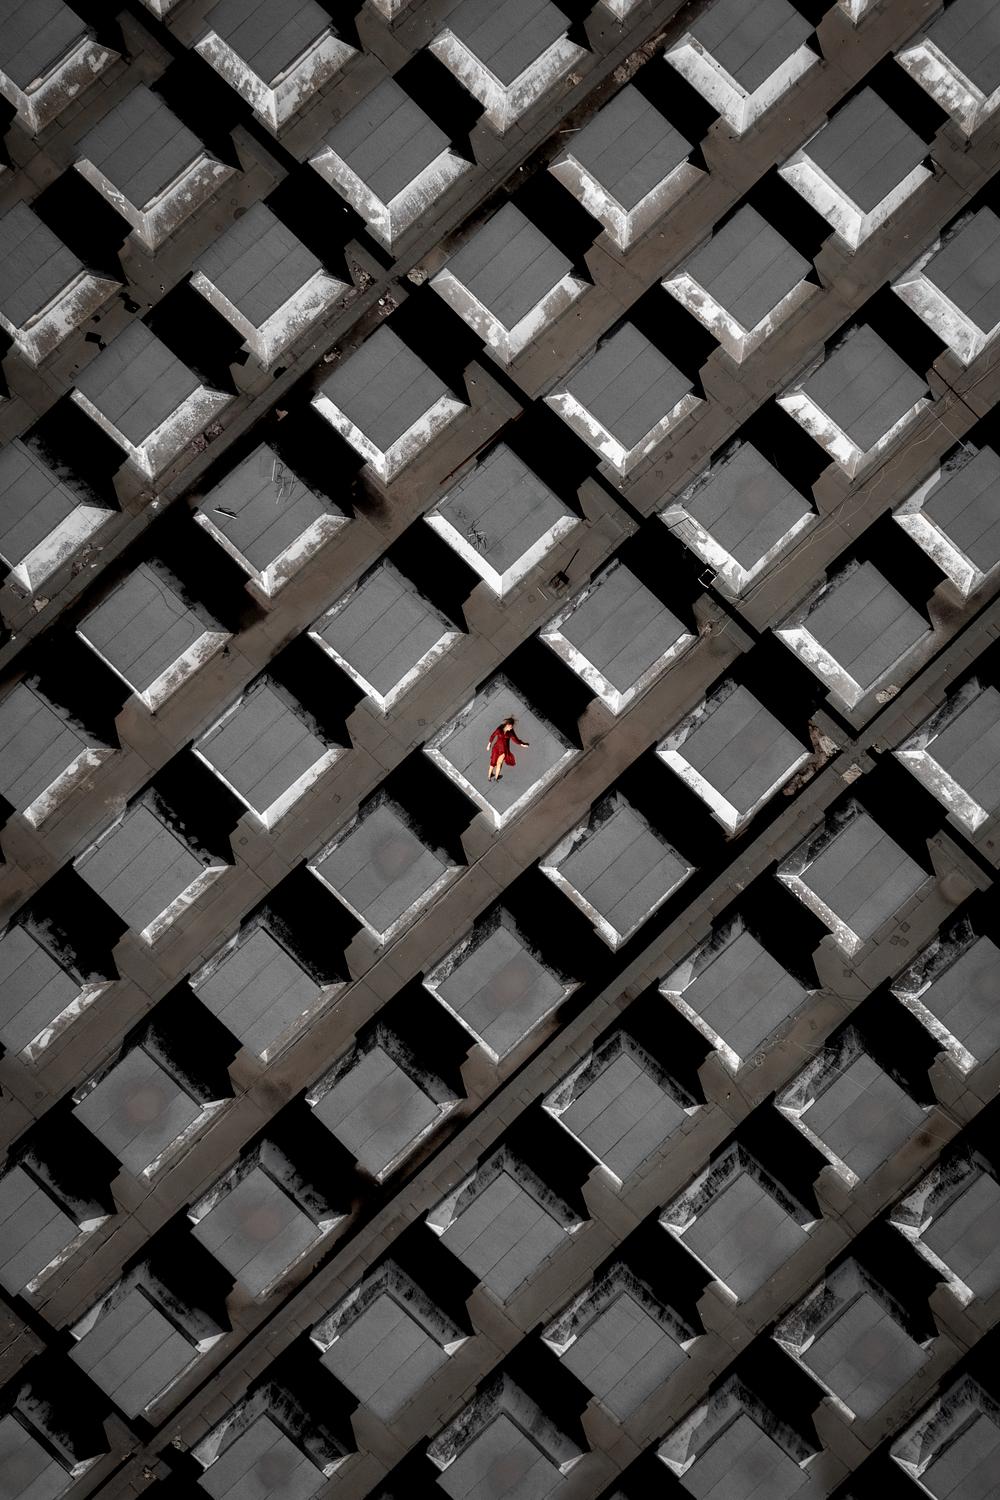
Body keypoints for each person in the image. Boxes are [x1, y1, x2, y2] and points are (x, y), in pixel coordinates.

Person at [487, 716, 528, 781]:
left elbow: (515, 739)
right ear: (508, 725)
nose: (512, 728)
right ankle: (489, 777)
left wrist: (522, 744)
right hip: (496, 748)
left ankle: (496, 777)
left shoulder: (510, 732)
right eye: (511, 726)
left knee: (499, 763)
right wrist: (489, 744)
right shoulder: (499, 729)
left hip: (504, 750)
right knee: (493, 762)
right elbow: (493, 735)